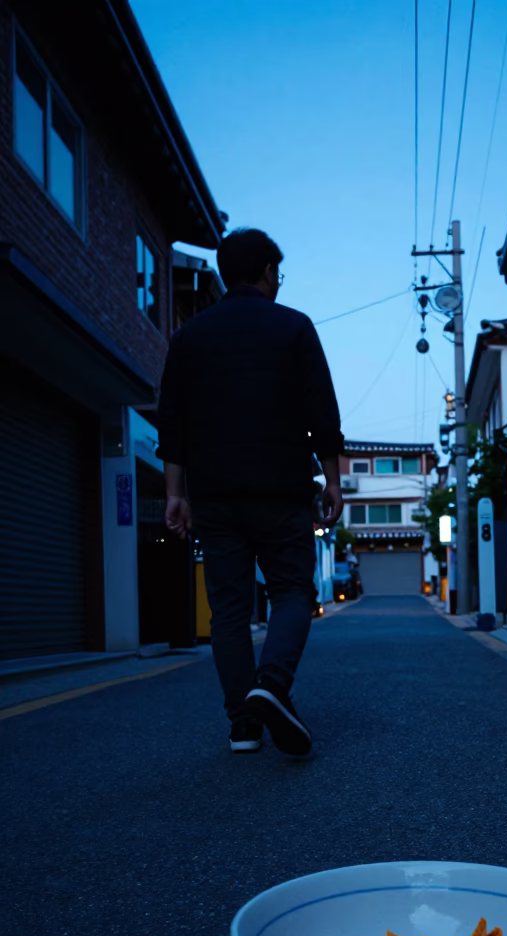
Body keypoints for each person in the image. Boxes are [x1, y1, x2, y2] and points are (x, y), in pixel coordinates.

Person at [155, 227, 343, 755]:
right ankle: (272, 684)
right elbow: (320, 410)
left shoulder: (189, 337)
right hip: (281, 489)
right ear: (266, 272)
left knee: (229, 608)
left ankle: (243, 723)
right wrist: (330, 478)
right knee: (292, 592)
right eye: (277, 273)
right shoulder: (293, 328)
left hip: (213, 493)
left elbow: (174, 421)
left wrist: (176, 492)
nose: (278, 283)